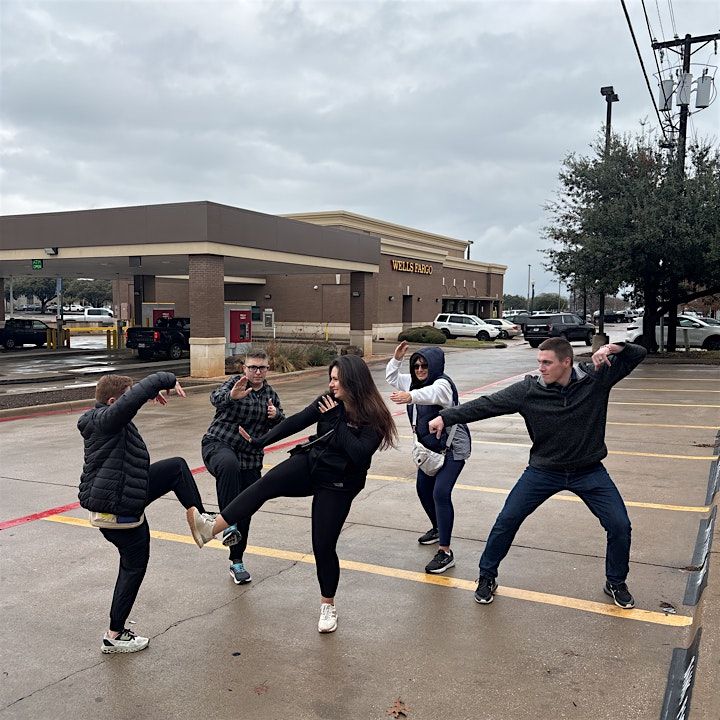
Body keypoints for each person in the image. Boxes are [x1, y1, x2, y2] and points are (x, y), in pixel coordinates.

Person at [428, 338, 647, 608]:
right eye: (539, 362)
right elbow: (487, 404)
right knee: (507, 520)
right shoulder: (528, 390)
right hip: (544, 471)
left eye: (547, 362)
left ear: (566, 362)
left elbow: (638, 353)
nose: (541, 368)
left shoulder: (596, 378)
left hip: (588, 471)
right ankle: (486, 576)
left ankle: (615, 582)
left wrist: (612, 348)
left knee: (620, 525)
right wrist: (446, 417)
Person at [186, 354, 397, 633]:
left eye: (337, 380)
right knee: (264, 485)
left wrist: (336, 421)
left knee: (323, 545)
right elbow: (297, 421)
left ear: (353, 381)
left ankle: (328, 605)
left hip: (339, 483)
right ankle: (211, 528)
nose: (332, 384)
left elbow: (359, 455)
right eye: (331, 378)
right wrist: (261, 441)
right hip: (312, 462)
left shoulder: (375, 416)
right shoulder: (328, 400)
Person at [77, 372, 221, 654]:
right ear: (113, 402)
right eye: (127, 398)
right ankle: (115, 635)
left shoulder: (107, 420)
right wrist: (166, 380)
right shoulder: (105, 420)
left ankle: (202, 522)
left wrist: (145, 396)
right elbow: (128, 404)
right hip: (118, 509)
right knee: (133, 568)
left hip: (123, 494)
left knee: (176, 467)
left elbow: (130, 404)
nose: (132, 402)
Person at [386, 341, 471, 574]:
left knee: (440, 493)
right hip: (429, 448)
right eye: (416, 366)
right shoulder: (414, 382)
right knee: (423, 490)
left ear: (434, 366)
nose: (420, 370)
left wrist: (409, 396)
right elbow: (392, 377)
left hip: (453, 447)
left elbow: (430, 394)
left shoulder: (443, 384)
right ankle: (437, 527)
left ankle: (445, 552)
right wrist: (397, 359)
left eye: (425, 365)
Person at [201, 351, 284, 584]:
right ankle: (228, 523)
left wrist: (276, 415)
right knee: (229, 465)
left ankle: (236, 561)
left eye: (262, 368)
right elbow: (215, 397)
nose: (257, 372)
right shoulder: (235, 383)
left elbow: (281, 422)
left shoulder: (270, 394)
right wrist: (231, 396)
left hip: (250, 457)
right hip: (219, 444)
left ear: (267, 369)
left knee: (246, 507)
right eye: (253, 367)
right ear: (244, 368)